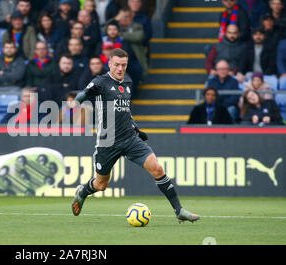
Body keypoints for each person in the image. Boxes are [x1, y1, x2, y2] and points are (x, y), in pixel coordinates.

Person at [71, 48, 200, 223]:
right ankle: (83, 191)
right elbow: (83, 94)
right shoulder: (100, 82)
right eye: (116, 65)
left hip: (130, 139)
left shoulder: (128, 83)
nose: (120, 68)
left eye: (123, 65)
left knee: (157, 168)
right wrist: (78, 100)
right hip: (107, 142)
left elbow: (125, 111)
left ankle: (179, 210)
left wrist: (136, 128)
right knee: (101, 185)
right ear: (109, 64)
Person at [115, 8, 148, 78]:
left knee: (137, 71)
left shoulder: (137, 26)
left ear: (131, 17)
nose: (124, 19)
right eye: (122, 16)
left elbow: (138, 37)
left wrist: (120, 34)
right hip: (116, 60)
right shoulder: (114, 26)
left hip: (133, 60)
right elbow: (104, 30)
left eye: (126, 16)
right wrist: (114, 20)